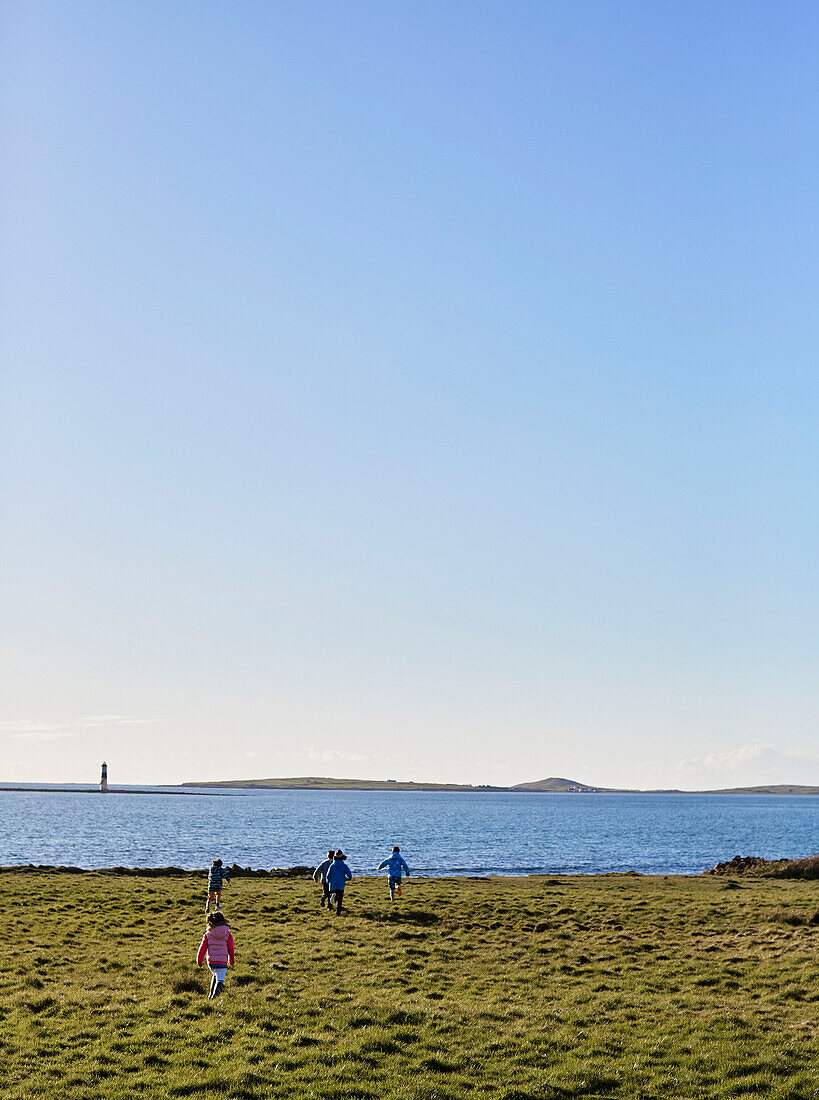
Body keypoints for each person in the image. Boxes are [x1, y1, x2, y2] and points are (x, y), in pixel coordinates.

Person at [197, 911, 235, 998]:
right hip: (222, 961)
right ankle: (214, 997)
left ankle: (210, 995)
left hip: (211, 962)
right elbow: (231, 949)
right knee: (220, 981)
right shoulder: (228, 934)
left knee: (215, 975)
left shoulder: (207, 934)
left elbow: (202, 948)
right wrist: (231, 960)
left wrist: (199, 960)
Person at [325, 849, 352, 916]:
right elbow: (349, 875)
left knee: (333, 894)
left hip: (332, 884)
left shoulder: (332, 866)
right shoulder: (344, 866)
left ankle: (333, 896)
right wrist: (346, 879)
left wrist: (328, 881)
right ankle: (338, 912)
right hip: (341, 885)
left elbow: (328, 875)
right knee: (340, 900)